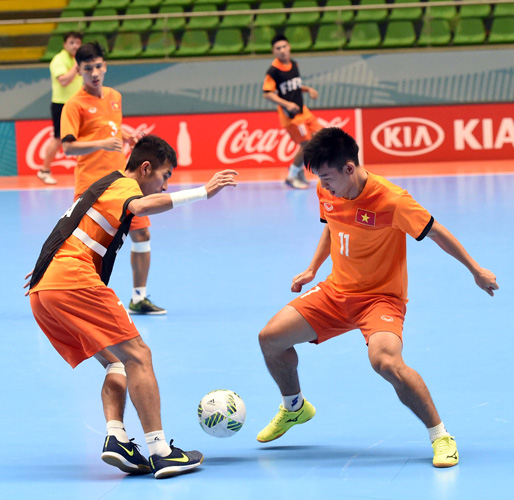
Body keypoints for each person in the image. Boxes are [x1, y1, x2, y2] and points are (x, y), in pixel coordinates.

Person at [256, 128, 499, 468]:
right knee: (270, 339)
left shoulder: (392, 200)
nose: (324, 186)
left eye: (328, 178)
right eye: (320, 179)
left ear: (350, 169)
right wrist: (312, 268)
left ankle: (441, 436)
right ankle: (294, 407)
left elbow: (438, 233)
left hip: (380, 299)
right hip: (336, 291)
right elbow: (332, 226)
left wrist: (475, 269)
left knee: (386, 362)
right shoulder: (327, 190)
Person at [25, 135, 238, 478]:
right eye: (165, 177)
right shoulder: (125, 187)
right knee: (139, 355)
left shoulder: (104, 185)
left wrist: (44, 269)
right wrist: (203, 193)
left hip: (45, 290)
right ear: (146, 168)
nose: (164, 185)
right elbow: (140, 208)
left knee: (118, 363)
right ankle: (161, 451)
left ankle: (116, 439)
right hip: (73, 281)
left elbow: (68, 225)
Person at [60, 41, 163, 315]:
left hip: (121, 183)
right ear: (79, 71)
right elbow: (68, 146)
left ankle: (139, 298)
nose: (94, 72)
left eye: (97, 66)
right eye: (87, 68)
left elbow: (110, 127)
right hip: (91, 186)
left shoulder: (114, 96)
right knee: (88, 247)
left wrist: (124, 134)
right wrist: (104, 143)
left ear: (104, 66)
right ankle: (82, 298)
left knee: (142, 233)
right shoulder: (73, 105)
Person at [263, 34, 322, 190]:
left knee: (321, 137)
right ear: (273, 51)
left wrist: (308, 89)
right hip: (291, 116)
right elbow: (267, 93)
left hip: (303, 111)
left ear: (289, 47)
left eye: (284, 47)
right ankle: (292, 175)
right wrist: (286, 104)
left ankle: (300, 170)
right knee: (306, 144)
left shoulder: (294, 64)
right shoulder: (273, 71)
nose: (282, 51)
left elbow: (294, 87)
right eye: (278, 48)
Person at [38, 31, 83, 185]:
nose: (75, 45)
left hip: (78, 104)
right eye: (72, 42)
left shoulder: (78, 60)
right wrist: (77, 65)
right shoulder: (59, 59)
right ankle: (44, 170)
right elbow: (63, 81)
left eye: (78, 42)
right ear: (65, 44)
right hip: (62, 104)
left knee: (83, 137)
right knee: (58, 139)